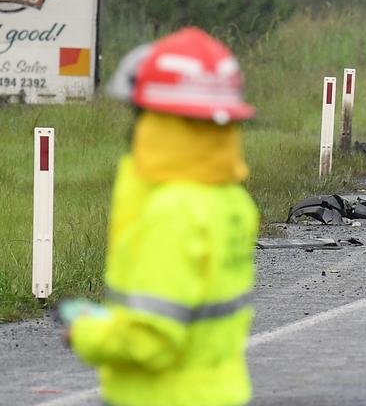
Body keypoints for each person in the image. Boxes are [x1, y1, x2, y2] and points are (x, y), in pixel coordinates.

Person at [61, 27, 259, 406]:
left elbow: (150, 341)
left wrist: (85, 331)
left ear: (158, 121)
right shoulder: (229, 201)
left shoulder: (174, 212)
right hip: (219, 393)